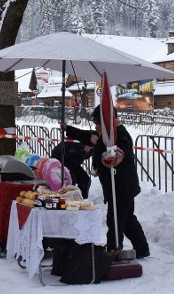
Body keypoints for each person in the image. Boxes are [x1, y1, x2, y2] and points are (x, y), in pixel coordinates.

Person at [61, 105, 150, 259]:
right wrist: (68, 129)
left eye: (97, 122)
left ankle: (113, 250)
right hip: (116, 187)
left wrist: (107, 158)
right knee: (127, 219)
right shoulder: (105, 134)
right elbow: (87, 136)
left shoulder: (120, 135)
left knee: (115, 219)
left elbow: (119, 152)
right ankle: (142, 249)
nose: (95, 126)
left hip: (122, 187)